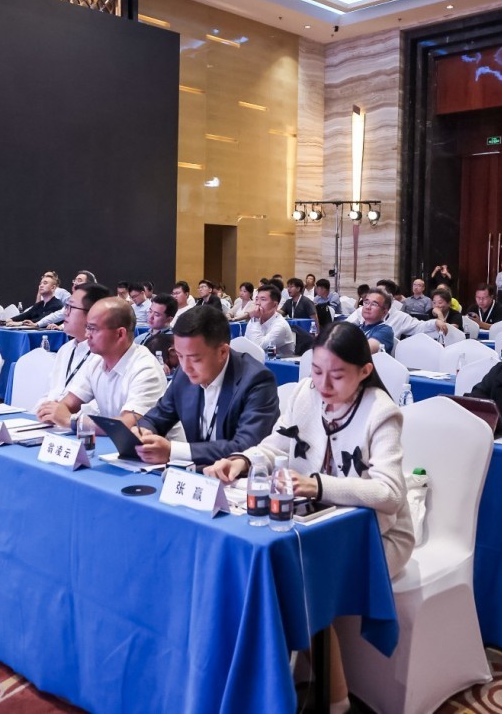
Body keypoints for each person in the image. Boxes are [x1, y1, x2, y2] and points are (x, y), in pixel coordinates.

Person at [204, 322, 414, 714]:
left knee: (289, 580)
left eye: (337, 375)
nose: (323, 385)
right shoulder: (305, 394)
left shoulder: (381, 411)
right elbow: (275, 446)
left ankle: (331, 700)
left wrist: (316, 485)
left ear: (365, 371)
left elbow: (389, 494)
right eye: (317, 371)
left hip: (374, 537)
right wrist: (242, 460)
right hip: (313, 526)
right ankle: (277, 688)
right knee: (257, 566)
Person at [133, 306, 281, 466]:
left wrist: (172, 451)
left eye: (195, 359)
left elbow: (246, 447)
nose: (186, 367)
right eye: (180, 356)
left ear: (223, 352)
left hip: (236, 476)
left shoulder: (256, 380)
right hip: (195, 473)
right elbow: (156, 417)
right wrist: (144, 431)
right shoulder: (183, 375)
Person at [36, 297, 168, 429]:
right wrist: (53, 413)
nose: (87, 335)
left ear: (120, 334)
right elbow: (68, 404)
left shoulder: (145, 369)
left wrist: (71, 421)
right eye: (87, 327)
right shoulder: (96, 361)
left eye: (93, 329)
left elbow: (128, 425)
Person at [38, 282, 111, 404]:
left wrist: (59, 410)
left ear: (93, 314)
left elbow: (99, 407)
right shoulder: (65, 349)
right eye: (66, 306)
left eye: (70, 307)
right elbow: (51, 392)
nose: (65, 313)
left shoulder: (104, 356)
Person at [244, 283, 296, 356]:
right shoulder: (254, 320)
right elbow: (246, 344)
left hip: (279, 362)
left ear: (275, 305)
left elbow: (257, 348)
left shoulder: (281, 325)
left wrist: (256, 319)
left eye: (263, 299)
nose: (258, 303)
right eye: (256, 299)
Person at [355, 288, 396, 354]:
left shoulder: (385, 331)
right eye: (366, 302)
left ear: (384, 312)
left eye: (374, 304)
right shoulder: (357, 328)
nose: (368, 307)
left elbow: (363, 352)